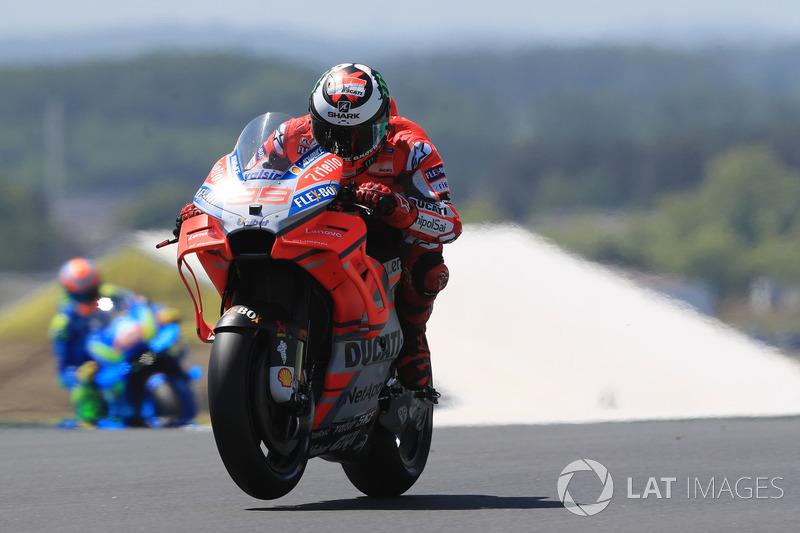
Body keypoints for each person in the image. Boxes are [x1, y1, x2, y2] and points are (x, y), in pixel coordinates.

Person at [177, 63, 462, 390]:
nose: (343, 146)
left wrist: (398, 206)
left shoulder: (411, 147)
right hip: (314, 225)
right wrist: (208, 209)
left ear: (382, 124)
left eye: (357, 136)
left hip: (382, 230)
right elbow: (250, 182)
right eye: (330, 133)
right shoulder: (291, 135)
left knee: (428, 265)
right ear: (314, 119)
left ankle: (411, 338)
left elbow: (449, 223)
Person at [49, 257, 189, 427]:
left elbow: (139, 305)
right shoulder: (66, 324)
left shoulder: (111, 295)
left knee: (163, 351)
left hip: (132, 352)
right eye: (85, 293)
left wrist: (161, 314)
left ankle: (181, 382)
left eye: (93, 289)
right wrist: (79, 374)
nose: (91, 296)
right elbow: (64, 372)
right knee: (85, 393)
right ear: (71, 291)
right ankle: (90, 424)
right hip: (99, 368)